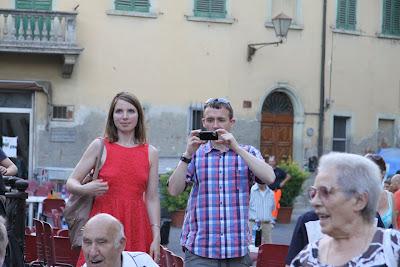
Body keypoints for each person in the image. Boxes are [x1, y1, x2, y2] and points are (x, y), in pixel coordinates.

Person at [168, 97, 275, 267]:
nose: (216, 125)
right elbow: (173, 190)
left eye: (221, 120)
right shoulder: (196, 153)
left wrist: (237, 148)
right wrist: (187, 154)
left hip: (237, 251)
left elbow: (269, 178)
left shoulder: (247, 152)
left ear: (232, 122)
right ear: (204, 122)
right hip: (200, 250)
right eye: (210, 120)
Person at [66, 92, 160, 264]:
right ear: (112, 116)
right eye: (119, 111)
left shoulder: (150, 153)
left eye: (131, 111)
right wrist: (86, 189)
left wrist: (157, 235)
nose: (124, 116)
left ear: (139, 115)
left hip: (137, 224)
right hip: (101, 223)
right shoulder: (99, 146)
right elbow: (71, 182)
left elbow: (152, 198)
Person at [290, 152, 400, 266]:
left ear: (359, 200)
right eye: (314, 193)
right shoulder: (307, 257)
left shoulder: (393, 248)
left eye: (326, 192)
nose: (314, 202)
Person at [285, 210, 385, 266]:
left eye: (327, 192)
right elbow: (291, 264)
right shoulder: (308, 220)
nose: (316, 200)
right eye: (315, 192)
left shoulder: (372, 220)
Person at [82, 213, 158, 267]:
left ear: (121, 244)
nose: (93, 253)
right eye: (87, 243)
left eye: (101, 242)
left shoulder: (142, 263)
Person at [365, 153, 397, 229]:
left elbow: (394, 228)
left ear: (383, 173)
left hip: (384, 240)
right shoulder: (358, 196)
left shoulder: (390, 197)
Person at [268, 155, 291, 220]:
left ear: (275, 162)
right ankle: (267, 218)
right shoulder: (266, 169)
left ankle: (273, 219)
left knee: (275, 205)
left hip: (276, 190)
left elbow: (288, 176)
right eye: (269, 161)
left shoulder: (279, 170)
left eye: (272, 161)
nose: (270, 163)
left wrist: (282, 183)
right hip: (267, 190)